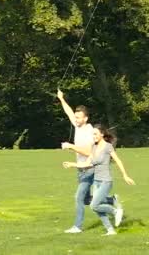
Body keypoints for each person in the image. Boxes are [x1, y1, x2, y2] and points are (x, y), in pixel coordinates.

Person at [63, 124, 136, 236]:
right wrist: (72, 164)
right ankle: (110, 230)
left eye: (96, 134)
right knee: (97, 208)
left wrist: (125, 175)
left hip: (106, 181)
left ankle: (116, 211)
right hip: (96, 181)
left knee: (93, 205)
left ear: (102, 134)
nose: (94, 136)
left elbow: (118, 161)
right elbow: (87, 163)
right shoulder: (94, 147)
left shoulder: (108, 147)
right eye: (93, 134)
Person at [57, 89, 95, 234]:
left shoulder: (90, 131)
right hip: (80, 168)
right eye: (76, 117)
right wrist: (61, 98)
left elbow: (88, 152)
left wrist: (71, 146)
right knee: (86, 200)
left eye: (79, 117)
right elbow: (68, 112)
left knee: (78, 197)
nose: (76, 119)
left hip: (89, 168)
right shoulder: (78, 125)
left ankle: (77, 227)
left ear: (86, 118)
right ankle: (111, 201)